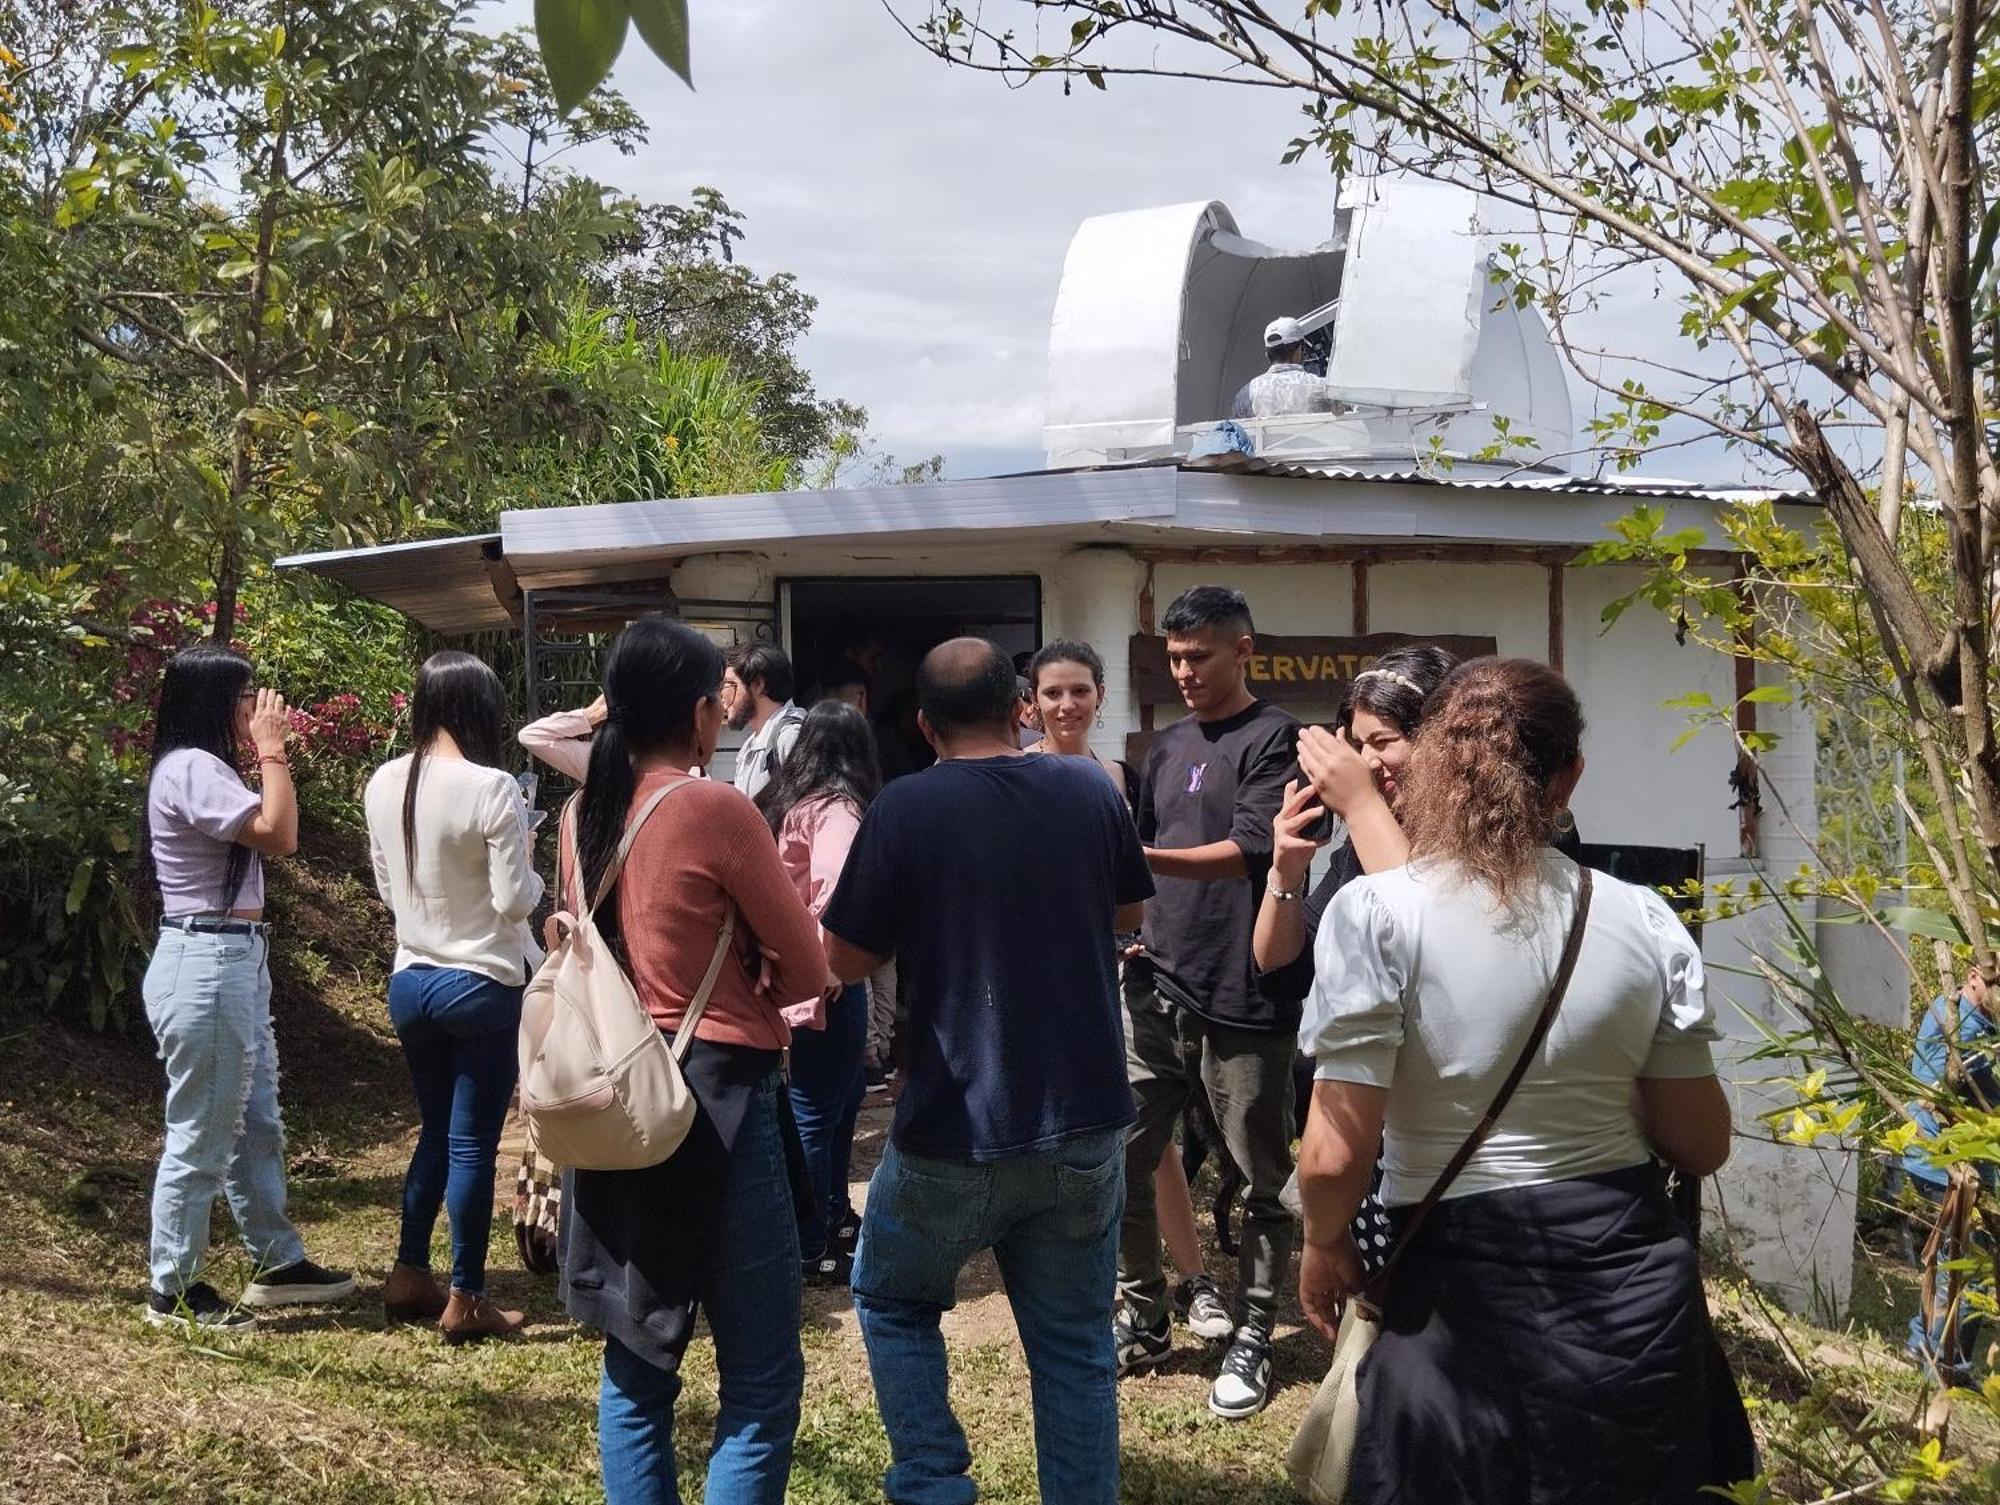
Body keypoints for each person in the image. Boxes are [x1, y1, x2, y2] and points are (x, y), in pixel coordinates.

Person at [1297, 657, 1748, 1502]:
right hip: (1632, 1314)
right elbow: (1701, 1142)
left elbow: (1330, 1160)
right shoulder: (1642, 917)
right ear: (1569, 774)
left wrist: (1325, 1242)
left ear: (1431, 762)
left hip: (1454, 1308)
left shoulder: (1378, 914)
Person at [821, 638, 1154, 1505]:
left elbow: (846, 957)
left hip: (956, 1123)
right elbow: (1127, 909)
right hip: (1084, 1115)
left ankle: (933, 1482)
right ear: (1022, 708)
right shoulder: (1089, 789)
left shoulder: (905, 809)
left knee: (893, 1299)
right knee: (1077, 1347)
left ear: (924, 726)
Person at [555, 616, 829, 1505]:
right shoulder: (712, 806)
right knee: (759, 1379)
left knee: (636, 1367)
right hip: (719, 1105)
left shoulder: (579, 813)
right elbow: (809, 966)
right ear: (700, 712)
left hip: (614, 1096)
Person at [1117, 585, 1300, 1420]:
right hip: (1158, 984)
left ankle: (1257, 1326)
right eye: (1176, 658)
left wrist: (1132, 855)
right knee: (1119, 1153)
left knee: (1258, 1175)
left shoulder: (1278, 739)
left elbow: (1246, 853)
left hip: (1245, 995)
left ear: (1244, 650)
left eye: (1201, 656)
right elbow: (1152, 865)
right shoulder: (1165, 745)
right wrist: (1137, 921)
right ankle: (1146, 1312)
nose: (1185, 671)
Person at [140, 645, 356, 1331]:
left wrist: (264, 752)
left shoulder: (202, 766)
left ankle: (275, 1260)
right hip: (207, 961)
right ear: (210, 701)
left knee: (255, 1119)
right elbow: (279, 832)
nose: (256, 708)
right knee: (203, 1129)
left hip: (230, 957)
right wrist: (273, 751)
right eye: (244, 698)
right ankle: (172, 1286)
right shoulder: (193, 768)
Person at [1029, 639, 1231, 1342]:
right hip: (1043, 976)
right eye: (1052, 692)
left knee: (1144, 1130)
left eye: (1079, 690)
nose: (1066, 705)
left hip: (1115, 973)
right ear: (1031, 702)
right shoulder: (1013, 776)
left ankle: (1193, 1274)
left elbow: (1141, 876)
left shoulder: (1118, 774)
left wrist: (1144, 935)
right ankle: (1089, 1272)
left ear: (1100, 695)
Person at [364, 651, 542, 1342]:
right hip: (480, 983)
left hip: (411, 981)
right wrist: (531, 866)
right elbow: (511, 899)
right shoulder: (492, 785)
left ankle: (410, 1271)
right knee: (473, 1144)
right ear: (479, 709)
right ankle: (467, 1296)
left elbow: (387, 887)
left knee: (435, 1131)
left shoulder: (382, 781)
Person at [756, 699, 882, 1286]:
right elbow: (835, 891)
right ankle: (810, 1241)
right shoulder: (836, 810)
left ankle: (832, 1217)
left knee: (836, 1100)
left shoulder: (792, 803)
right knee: (817, 1110)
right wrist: (834, 967)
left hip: (800, 977)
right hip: (828, 981)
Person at [1900, 966, 1997, 1383]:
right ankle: (1945, 1367)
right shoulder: (1960, 1024)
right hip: (1947, 1165)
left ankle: (1923, 1344)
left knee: (1951, 1261)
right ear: (1975, 977)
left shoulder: (1961, 1015)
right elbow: (1967, 1094)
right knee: (1967, 1265)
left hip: (1944, 1159)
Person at [724, 643, 806, 801]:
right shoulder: (752, 744)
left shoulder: (791, 737)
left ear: (758, 685)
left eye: (730, 685)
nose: (723, 695)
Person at [1229, 316, 1336, 422]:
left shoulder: (1246, 394)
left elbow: (1235, 435)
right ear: (1299, 350)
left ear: (1267, 355)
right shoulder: (1323, 387)